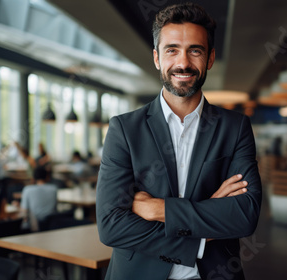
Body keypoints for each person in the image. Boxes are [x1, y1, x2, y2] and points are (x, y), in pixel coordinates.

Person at [96, 3, 262, 280]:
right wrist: (200, 233)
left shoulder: (235, 127)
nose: (183, 63)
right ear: (157, 58)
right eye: (172, 50)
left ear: (209, 58)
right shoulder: (124, 129)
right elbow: (111, 226)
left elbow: (245, 215)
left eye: (195, 51)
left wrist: (158, 209)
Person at [20, 166, 57, 231]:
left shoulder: (28, 190)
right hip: (52, 226)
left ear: (33, 177)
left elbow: (24, 211)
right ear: (47, 176)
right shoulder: (54, 189)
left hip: (34, 227)